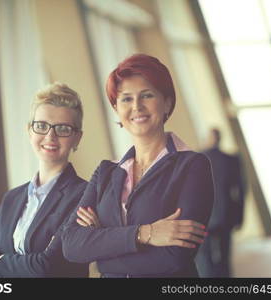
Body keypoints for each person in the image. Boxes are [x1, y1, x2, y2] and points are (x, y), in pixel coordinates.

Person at [61, 54, 214, 277]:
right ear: (116, 109)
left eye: (147, 95)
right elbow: (71, 244)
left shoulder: (192, 166)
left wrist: (101, 253)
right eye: (126, 99)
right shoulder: (106, 172)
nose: (137, 106)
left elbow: (174, 257)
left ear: (167, 103)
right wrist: (145, 234)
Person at [0, 82, 88, 277]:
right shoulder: (12, 198)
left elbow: (47, 267)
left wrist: (2, 262)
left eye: (63, 128)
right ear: (29, 130)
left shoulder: (84, 195)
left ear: (77, 138)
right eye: (41, 126)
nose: (50, 136)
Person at [195, 128, 245, 277]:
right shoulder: (232, 159)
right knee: (224, 255)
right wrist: (240, 216)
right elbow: (241, 191)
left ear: (208, 139)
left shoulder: (197, 159)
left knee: (204, 257)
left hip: (203, 216)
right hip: (226, 215)